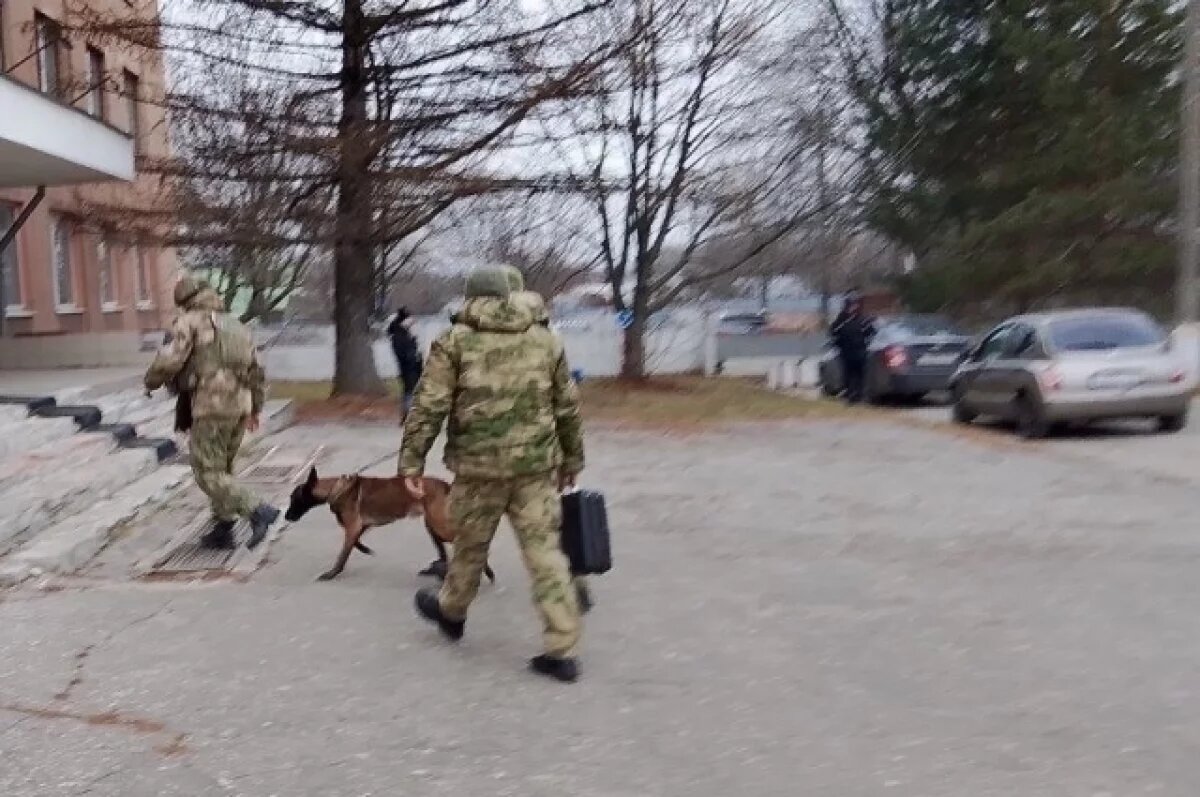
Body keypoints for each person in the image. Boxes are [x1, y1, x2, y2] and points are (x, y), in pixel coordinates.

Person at [399, 267, 587, 683]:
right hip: (534, 469)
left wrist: (412, 461)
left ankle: (452, 612)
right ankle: (562, 649)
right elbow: (567, 406)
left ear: (471, 297)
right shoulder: (547, 340)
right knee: (545, 554)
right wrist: (572, 459)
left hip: (477, 469)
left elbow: (429, 405)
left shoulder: (454, 342)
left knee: (469, 545)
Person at [144, 273, 280, 550]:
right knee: (223, 470)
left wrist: (151, 381)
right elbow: (257, 371)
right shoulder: (237, 325)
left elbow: (171, 359)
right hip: (239, 406)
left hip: (210, 406)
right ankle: (223, 529)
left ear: (184, 300)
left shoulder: (189, 322)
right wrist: (255, 407)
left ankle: (257, 510)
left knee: (207, 472)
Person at [829, 290, 877, 404]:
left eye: (854, 304)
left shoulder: (862, 319)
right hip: (846, 352)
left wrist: (867, 341)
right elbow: (833, 332)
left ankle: (860, 396)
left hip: (860, 351)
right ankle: (850, 395)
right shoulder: (841, 319)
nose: (853, 306)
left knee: (860, 375)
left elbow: (872, 332)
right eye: (850, 304)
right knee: (848, 374)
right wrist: (838, 344)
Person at [386, 307, 423, 421]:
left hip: (405, 367)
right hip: (410, 367)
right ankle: (410, 415)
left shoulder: (397, 334)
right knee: (411, 390)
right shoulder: (403, 336)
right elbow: (409, 354)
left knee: (408, 390)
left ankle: (408, 414)